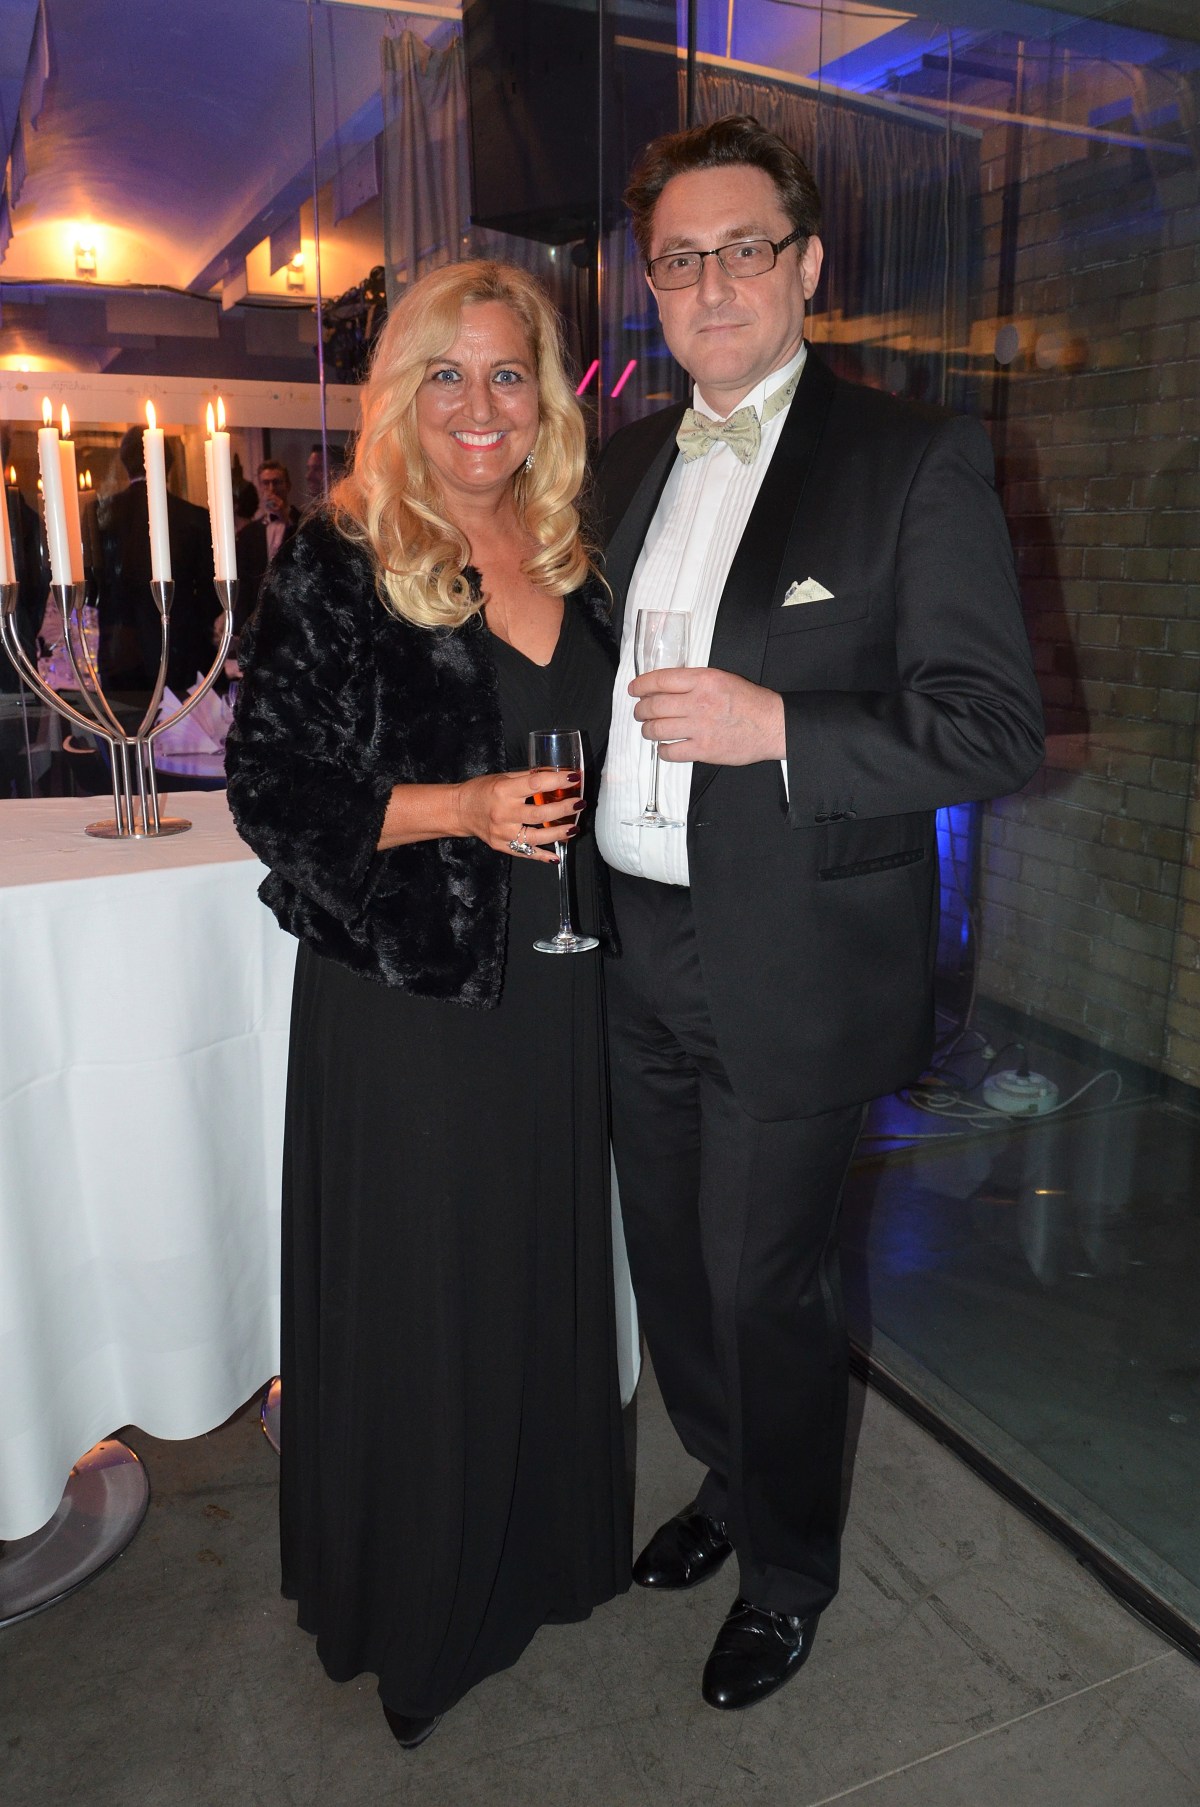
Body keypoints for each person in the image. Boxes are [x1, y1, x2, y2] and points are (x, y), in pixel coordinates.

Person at [592, 115, 1044, 1712]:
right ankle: (728, 1477)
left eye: (746, 249)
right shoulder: (625, 460)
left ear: (807, 266)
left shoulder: (911, 456)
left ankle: (787, 1571)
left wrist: (782, 725)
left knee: (764, 1278)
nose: (713, 283)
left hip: (791, 956)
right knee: (672, 1261)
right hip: (626, 938)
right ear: (652, 286)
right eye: (681, 259)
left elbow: (993, 726)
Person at [225, 259, 629, 1749]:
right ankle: (420, 1609)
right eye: (445, 375)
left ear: (547, 398)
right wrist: (459, 806)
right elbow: (272, 787)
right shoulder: (342, 555)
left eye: (507, 373)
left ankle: (543, 1552)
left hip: (560, 981)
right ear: (402, 394)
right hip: (410, 993)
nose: (478, 405)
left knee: (532, 1263)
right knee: (425, 1293)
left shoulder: (575, 548)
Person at [96, 425, 215, 696]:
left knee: (124, 719)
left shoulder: (101, 514)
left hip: (120, 650)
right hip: (181, 648)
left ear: (125, 463)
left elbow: (93, 587)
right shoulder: (194, 517)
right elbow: (210, 594)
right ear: (169, 463)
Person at [234, 458, 299, 630]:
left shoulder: (301, 524)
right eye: (266, 483)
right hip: (259, 614)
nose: (271, 489)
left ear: (287, 485)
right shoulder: (249, 534)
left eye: (276, 482)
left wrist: (285, 516)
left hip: (293, 610)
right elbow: (244, 582)